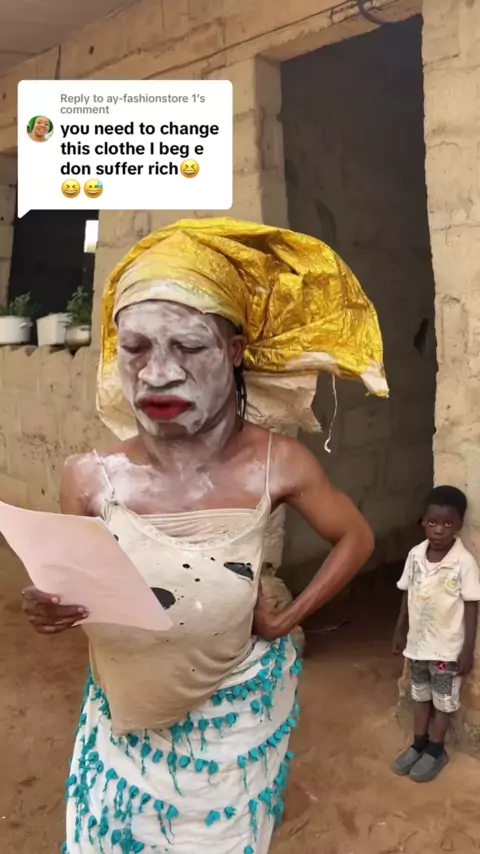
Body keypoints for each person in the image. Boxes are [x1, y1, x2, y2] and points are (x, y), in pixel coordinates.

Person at [22, 218, 388, 854]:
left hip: (233, 735)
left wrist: (286, 618)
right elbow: (75, 587)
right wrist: (49, 606)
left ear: (235, 350)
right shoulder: (89, 478)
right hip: (124, 736)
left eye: (189, 347)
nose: (158, 373)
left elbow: (356, 537)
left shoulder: (276, 464)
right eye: (135, 349)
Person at [392, 486, 480, 783]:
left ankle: (437, 749)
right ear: (423, 522)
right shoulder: (415, 555)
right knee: (420, 695)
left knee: (443, 701)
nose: (439, 530)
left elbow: (471, 605)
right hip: (418, 647)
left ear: (459, 525)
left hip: (446, 651)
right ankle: (418, 743)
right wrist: (399, 631)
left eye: (447, 523)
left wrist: (467, 649)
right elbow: (406, 594)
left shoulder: (463, 563)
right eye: (432, 522)